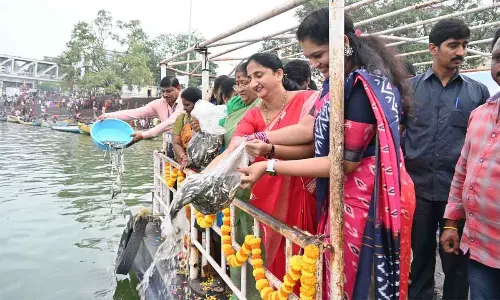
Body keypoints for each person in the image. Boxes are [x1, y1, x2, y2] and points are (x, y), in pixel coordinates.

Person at [239, 9, 415, 299]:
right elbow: (307, 130)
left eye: (318, 54)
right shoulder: (335, 83)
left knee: (361, 279)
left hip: (370, 198)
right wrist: (260, 138)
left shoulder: (360, 88)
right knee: (340, 274)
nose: (313, 63)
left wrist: (270, 165)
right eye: (308, 56)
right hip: (347, 194)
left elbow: (343, 162)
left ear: (343, 42)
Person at [207, 52, 318, 298]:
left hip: (305, 193)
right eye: (249, 78)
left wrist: (267, 146)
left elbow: (309, 142)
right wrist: (204, 176)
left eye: (259, 75)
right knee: (276, 260)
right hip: (266, 195)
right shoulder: (253, 114)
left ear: (279, 74)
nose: (254, 83)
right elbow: (234, 146)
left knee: (306, 261)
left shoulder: (308, 100)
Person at [403, 19, 490, 300]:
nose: (461, 52)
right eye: (453, 45)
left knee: (457, 263)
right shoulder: (408, 89)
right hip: (417, 192)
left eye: (464, 45)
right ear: (432, 48)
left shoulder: (477, 92)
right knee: (421, 258)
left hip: (458, 195)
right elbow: (398, 134)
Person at [439, 28, 500, 300]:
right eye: (498, 57)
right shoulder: (481, 114)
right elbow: (463, 172)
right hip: (480, 249)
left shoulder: (473, 91)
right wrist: (452, 222)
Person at [98, 77, 184, 147]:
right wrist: (108, 116)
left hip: (186, 144)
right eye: (163, 91)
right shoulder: (159, 103)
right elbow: (136, 112)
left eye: (169, 91)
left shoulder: (185, 102)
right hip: (169, 144)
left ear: (178, 88)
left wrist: (143, 135)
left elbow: (170, 123)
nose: (165, 95)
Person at [171, 87, 202, 168]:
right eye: (183, 105)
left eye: (187, 105)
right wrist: (184, 158)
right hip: (184, 163)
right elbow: (176, 143)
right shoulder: (181, 119)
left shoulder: (206, 118)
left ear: (198, 104)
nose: (184, 108)